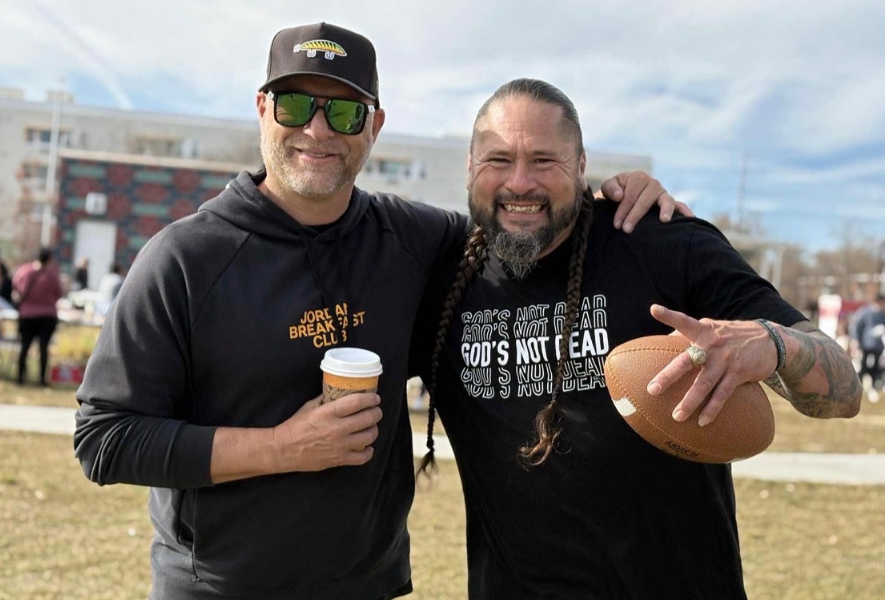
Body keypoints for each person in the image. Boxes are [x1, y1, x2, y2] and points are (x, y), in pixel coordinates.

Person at [73, 23, 683, 600]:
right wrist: (282, 447)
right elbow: (105, 438)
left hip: (368, 587)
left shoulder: (417, 240)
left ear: (375, 125)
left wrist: (609, 194)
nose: (317, 130)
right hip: (217, 589)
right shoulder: (185, 259)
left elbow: (523, 219)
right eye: (294, 105)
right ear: (262, 109)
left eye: (344, 111)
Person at [415, 78, 862, 600]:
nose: (520, 182)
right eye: (498, 159)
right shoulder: (441, 280)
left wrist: (773, 343)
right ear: (470, 165)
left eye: (544, 160)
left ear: (581, 166)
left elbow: (845, 390)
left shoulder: (662, 243)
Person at [12, 248, 63, 386]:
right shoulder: (52, 275)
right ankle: (42, 379)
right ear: (49, 259)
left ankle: (20, 377)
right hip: (47, 315)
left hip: (27, 314)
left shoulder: (24, 271)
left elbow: (17, 289)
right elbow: (58, 293)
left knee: (24, 346)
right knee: (43, 347)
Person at [850, 293, 885, 401]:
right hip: (866, 345)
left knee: (876, 367)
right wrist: (855, 341)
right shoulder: (865, 312)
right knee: (863, 366)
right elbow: (856, 326)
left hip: (878, 346)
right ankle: (858, 387)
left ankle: (874, 387)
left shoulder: (882, 314)